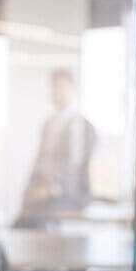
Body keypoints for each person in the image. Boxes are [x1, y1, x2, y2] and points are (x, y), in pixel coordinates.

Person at [14, 69, 96, 228]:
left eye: (61, 87)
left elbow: (73, 168)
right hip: (44, 194)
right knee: (20, 221)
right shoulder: (48, 124)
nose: (56, 92)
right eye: (53, 87)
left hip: (69, 196)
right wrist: (28, 193)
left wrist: (50, 189)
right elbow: (38, 162)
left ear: (72, 89)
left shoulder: (79, 125)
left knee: (33, 221)